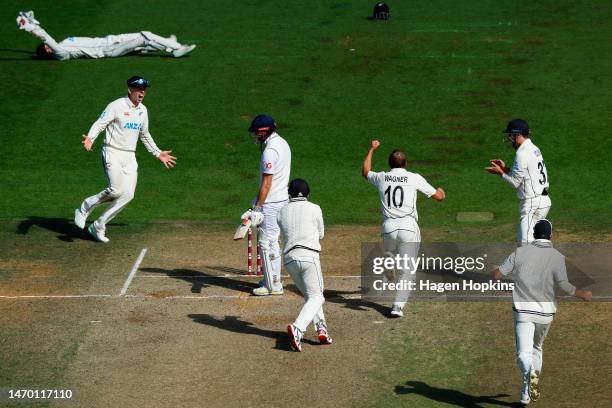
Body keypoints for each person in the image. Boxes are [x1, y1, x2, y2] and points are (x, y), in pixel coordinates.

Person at [493, 219, 592, 405]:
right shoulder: (557, 256)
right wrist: (582, 293)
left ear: (533, 235)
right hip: (546, 314)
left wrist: (495, 270)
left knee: (523, 353)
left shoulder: (520, 251)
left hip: (523, 311)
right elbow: (564, 285)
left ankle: (528, 378)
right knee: (536, 349)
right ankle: (526, 391)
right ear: (551, 236)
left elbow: (498, 275)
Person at [73, 76, 177, 242]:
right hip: (112, 151)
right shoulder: (116, 105)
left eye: (144, 89)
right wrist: (90, 138)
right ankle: (84, 208)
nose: (142, 92)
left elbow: (144, 134)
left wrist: (158, 153)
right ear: (130, 90)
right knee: (116, 190)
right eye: (138, 89)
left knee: (128, 195)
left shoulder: (143, 110)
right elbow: (100, 123)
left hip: (130, 156)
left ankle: (98, 226)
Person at [362, 140, 445, 317]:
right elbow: (438, 197)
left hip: (388, 228)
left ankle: (389, 259)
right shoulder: (414, 177)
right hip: (408, 227)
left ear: (390, 164)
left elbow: (366, 172)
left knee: (391, 251)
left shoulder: (382, 177)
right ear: (405, 164)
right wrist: (441, 191)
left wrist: (372, 149)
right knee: (408, 270)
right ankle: (397, 306)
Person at [278, 179, 332, 352]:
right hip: (309, 256)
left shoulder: (281, 211)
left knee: (311, 296)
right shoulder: (315, 208)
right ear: (308, 194)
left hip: (289, 260)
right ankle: (298, 329)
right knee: (317, 297)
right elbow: (321, 234)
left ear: (289, 195)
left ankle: (321, 329)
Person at [240, 115, 291, 296]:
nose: (255, 135)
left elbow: (267, 183)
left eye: (256, 132)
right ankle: (273, 279)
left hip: (271, 203)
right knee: (273, 243)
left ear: (264, 131)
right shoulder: (283, 143)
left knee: (267, 243)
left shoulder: (270, 151)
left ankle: (272, 286)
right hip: (281, 200)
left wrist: (258, 208)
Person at [16, 10, 196, 60]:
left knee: (143, 44)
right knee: (144, 36)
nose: (48, 47)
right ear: (48, 53)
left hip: (111, 39)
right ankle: (176, 48)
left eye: (46, 47)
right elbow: (46, 38)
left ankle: (166, 44)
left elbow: (49, 39)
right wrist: (32, 28)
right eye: (46, 49)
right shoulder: (61, 53)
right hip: (108, 50)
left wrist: (32, 19)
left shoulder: (62, 43)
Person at [486, 119, 551, 246]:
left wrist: (500, 173)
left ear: (518, 134)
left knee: (526, 244)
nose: (509, 138)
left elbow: (515, 182)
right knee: (526, 242)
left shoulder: (522, 153)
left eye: (510, 135)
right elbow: (524, 175)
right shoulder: (533, 148)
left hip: (532, 203)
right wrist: (505, 169)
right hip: (541, 200)